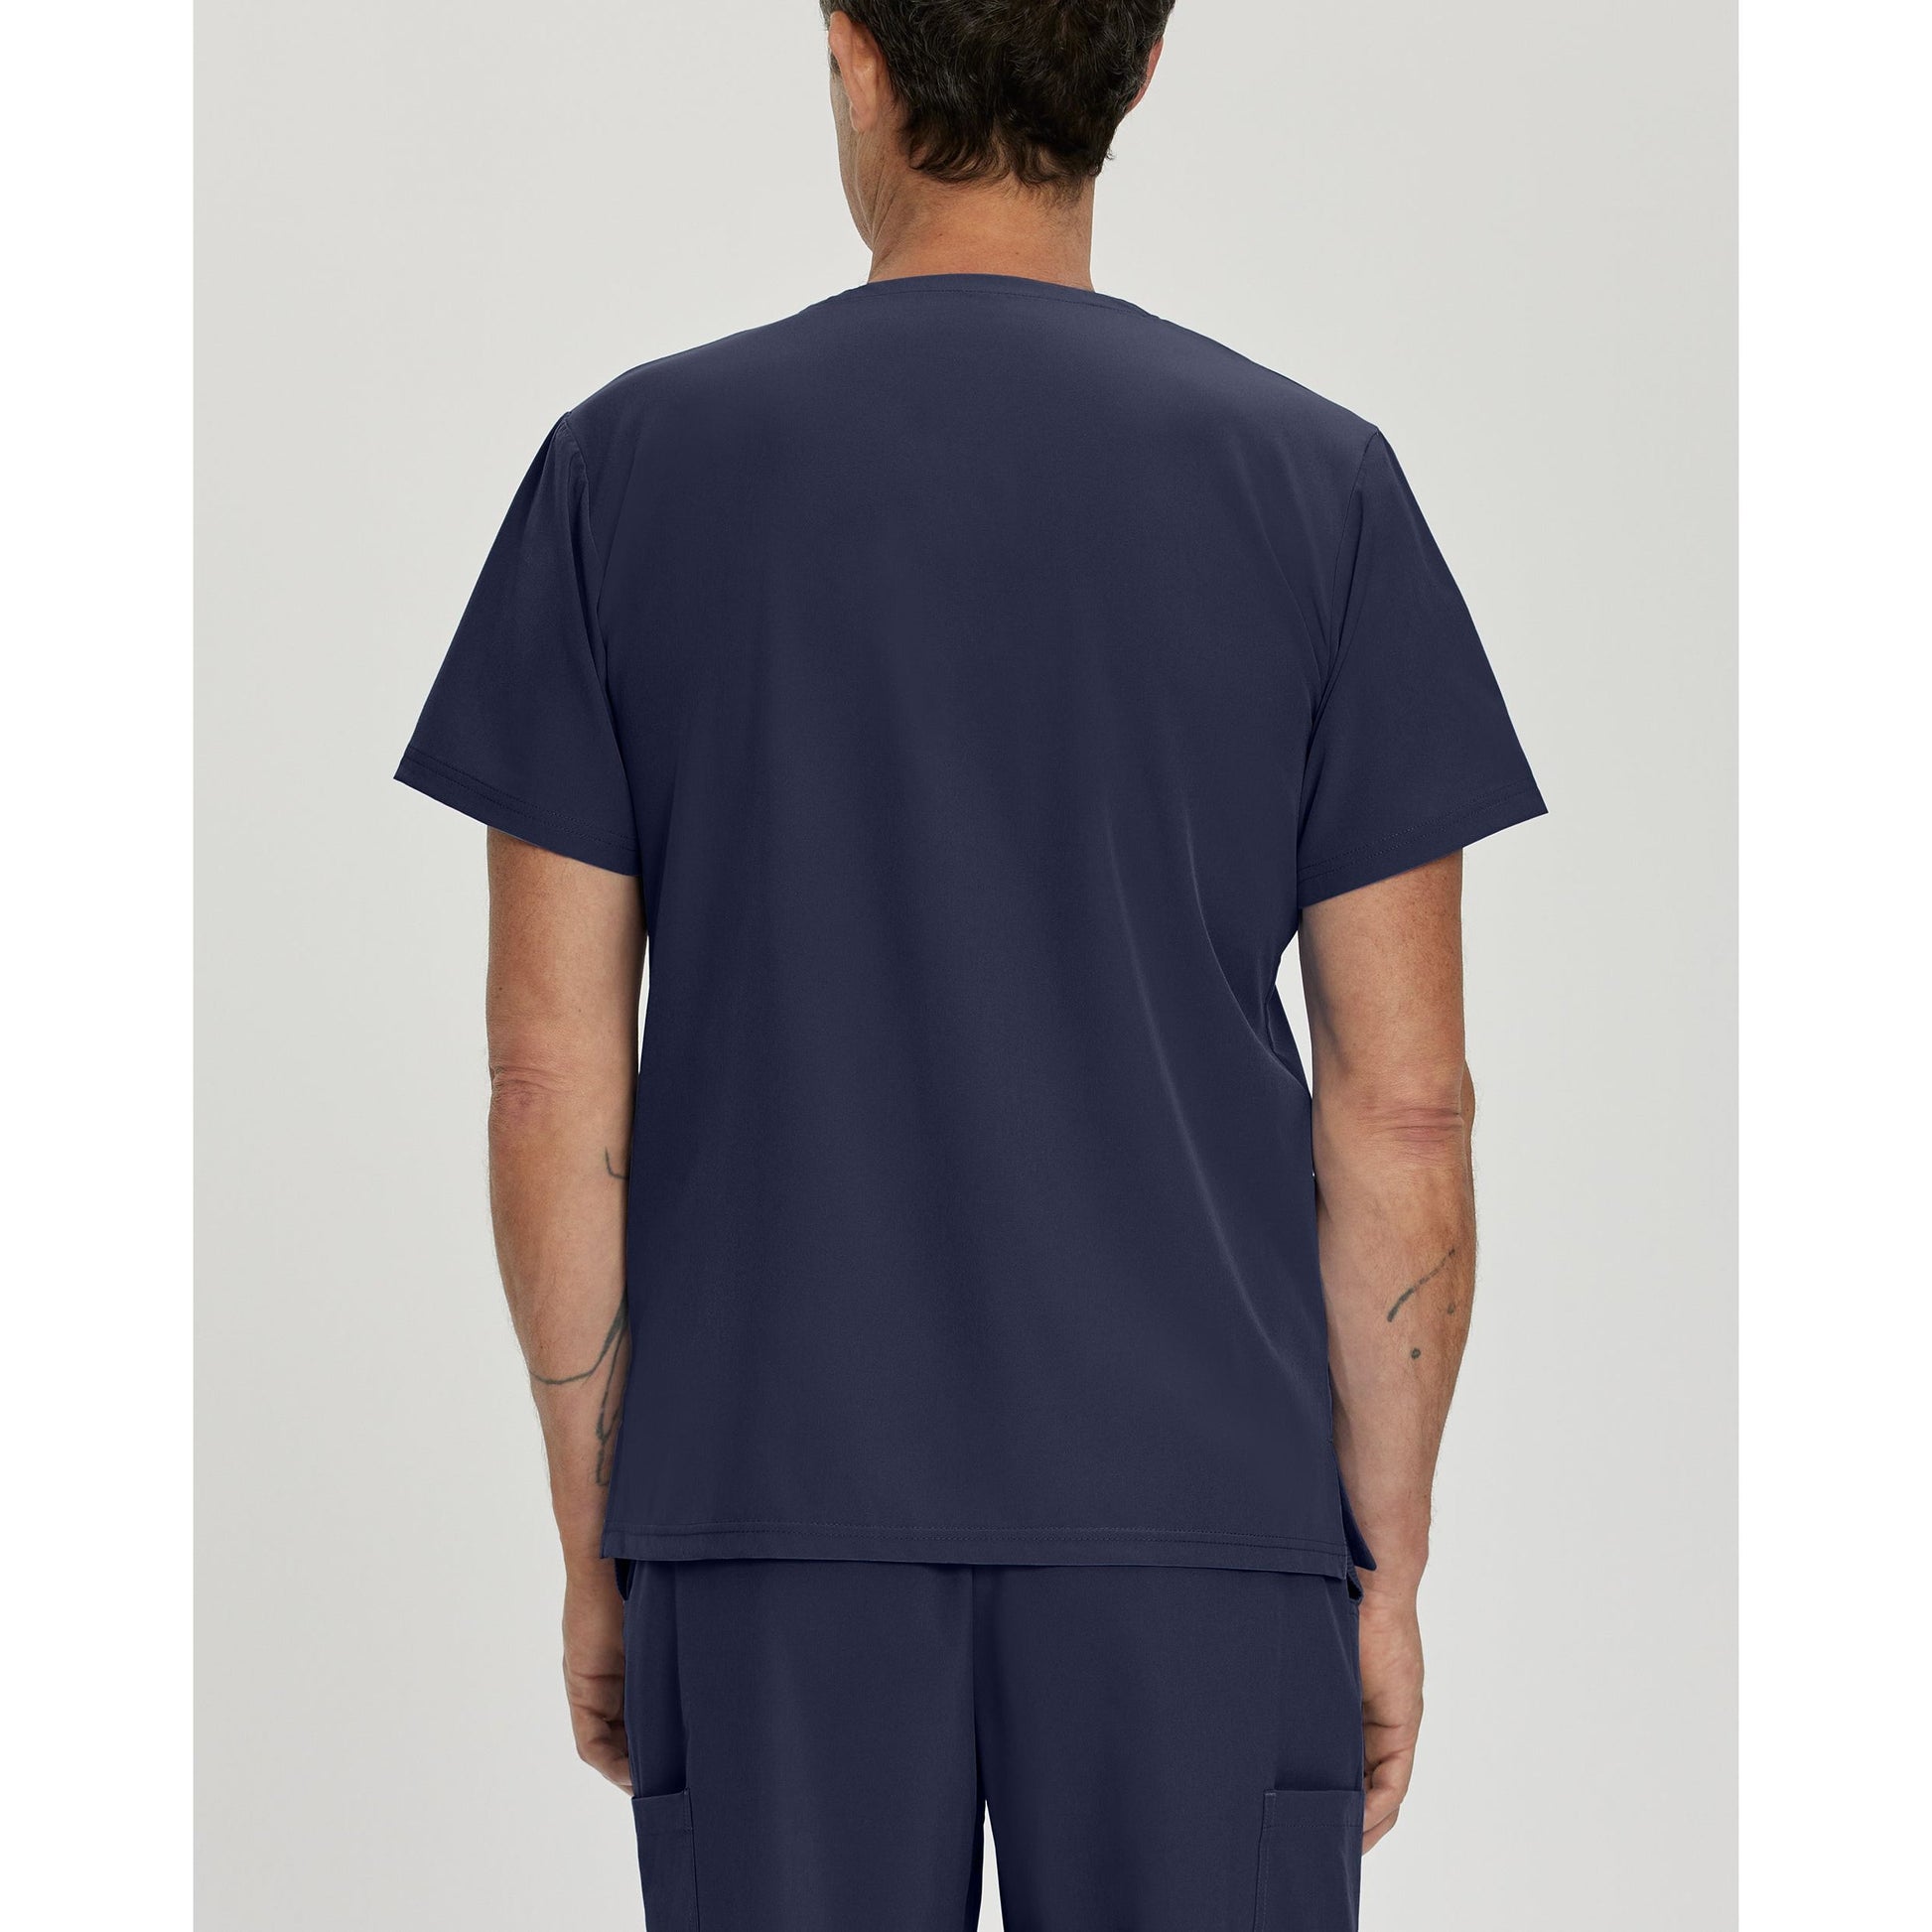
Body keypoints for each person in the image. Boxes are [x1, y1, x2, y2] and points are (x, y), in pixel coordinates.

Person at [397, 4, 1543, 1926]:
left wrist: (600, 1530)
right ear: (1143, 66)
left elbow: (549, 1082)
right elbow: (1404, 1103)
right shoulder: (1317, 486)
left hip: (765, 1499)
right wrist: (1385, 1564)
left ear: (853, 50)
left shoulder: (626, 470)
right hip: (1201, 1511)